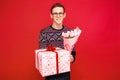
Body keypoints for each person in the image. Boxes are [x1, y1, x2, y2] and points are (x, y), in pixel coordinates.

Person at [39, 3, 76, 80]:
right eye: (55, 13)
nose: (58, 16)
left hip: (65, 74)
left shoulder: (69, 32)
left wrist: (71, 57)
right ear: (51, 15)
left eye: (60, 13)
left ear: (64, 15)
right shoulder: (44, 32)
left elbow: (73, 53)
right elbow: (42, 54)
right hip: (50, 75)